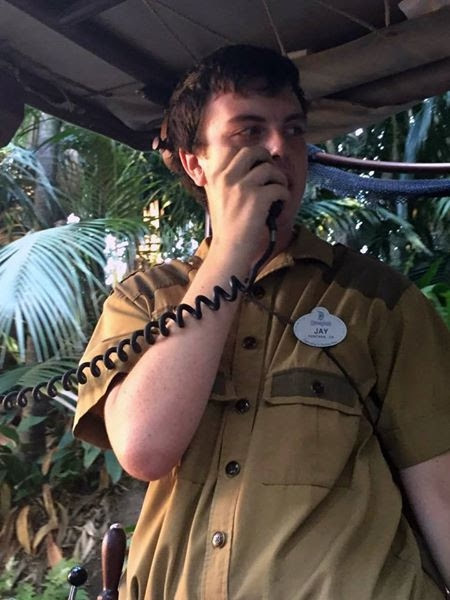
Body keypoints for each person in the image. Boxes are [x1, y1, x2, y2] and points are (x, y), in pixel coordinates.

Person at [73, 45, 450, 599]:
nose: (278, 148)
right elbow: (144, 448)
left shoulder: (381, 302)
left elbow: (440, 489)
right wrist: (230, 254)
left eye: (293, 130)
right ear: (194, 162)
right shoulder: (144, 300)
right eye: (248, 132)